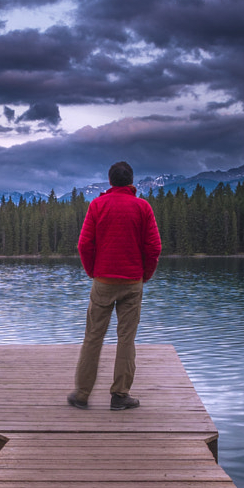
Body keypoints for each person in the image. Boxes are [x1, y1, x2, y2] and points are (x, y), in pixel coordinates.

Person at [69, 159, 161, 410]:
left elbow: (84, 245)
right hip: (133, 281)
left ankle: (82, 394)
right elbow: (154, 247)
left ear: (110, 181)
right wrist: (146, 275)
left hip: (103, 281)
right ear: (131, 182)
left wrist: (92, 271)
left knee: (93, 337)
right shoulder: (143, 207)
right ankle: (120, 396)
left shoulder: (98, 205)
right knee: (126, 339)